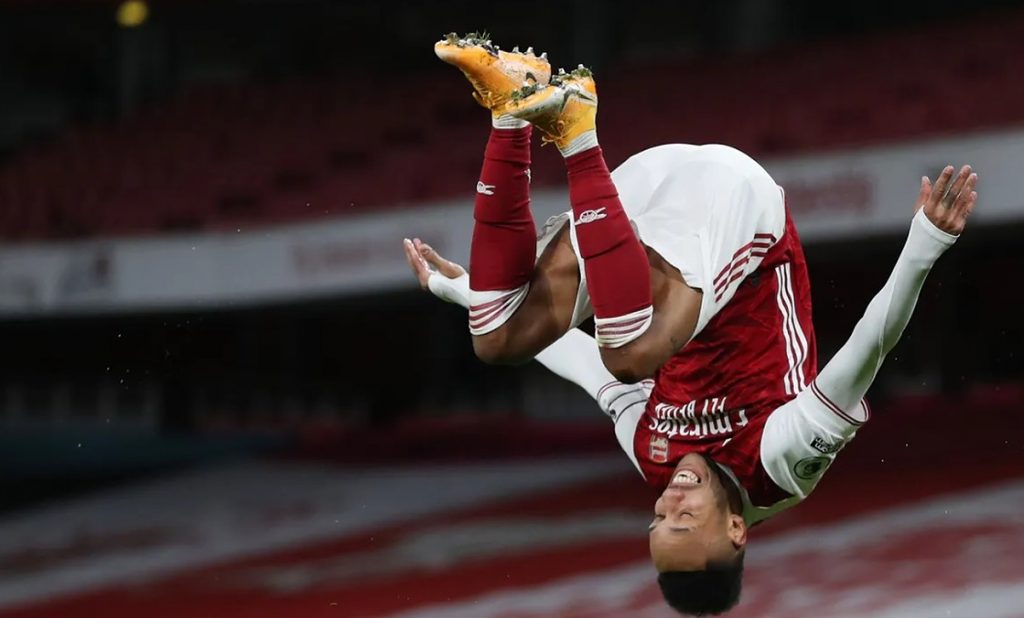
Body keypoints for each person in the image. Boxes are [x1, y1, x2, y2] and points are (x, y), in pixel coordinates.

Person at [405, 33, 979, 615]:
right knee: (629, 353)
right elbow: (867, 351)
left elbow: (582, 366)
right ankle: (577, 132)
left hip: (643, 200)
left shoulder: (654, 456)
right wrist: (925, 244)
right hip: (736, 209)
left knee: (497, 335)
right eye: (683, 522)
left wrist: (454, 289)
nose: (669, 502)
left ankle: (511, 110)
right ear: (736, 530)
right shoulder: (780, 464)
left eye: (658, 520)